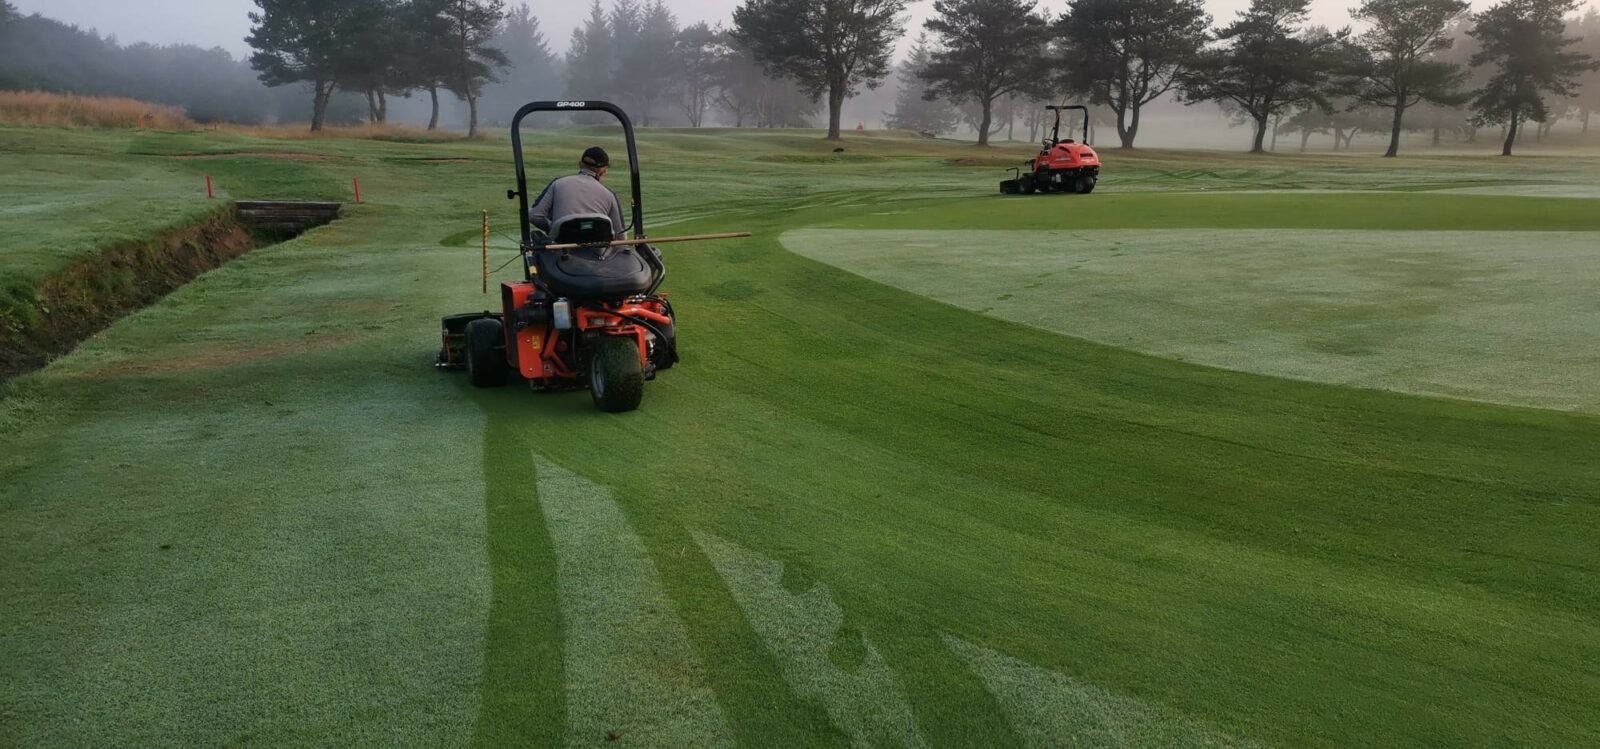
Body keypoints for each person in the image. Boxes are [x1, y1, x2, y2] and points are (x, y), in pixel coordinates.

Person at [529, 146, 627, 240]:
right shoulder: (609, 194)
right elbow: (621, 236)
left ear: (579, 164)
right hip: (598, 249)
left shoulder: (558, 183)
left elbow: (534, 216)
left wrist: (555, 228)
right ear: (603, 171)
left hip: (561, 246)